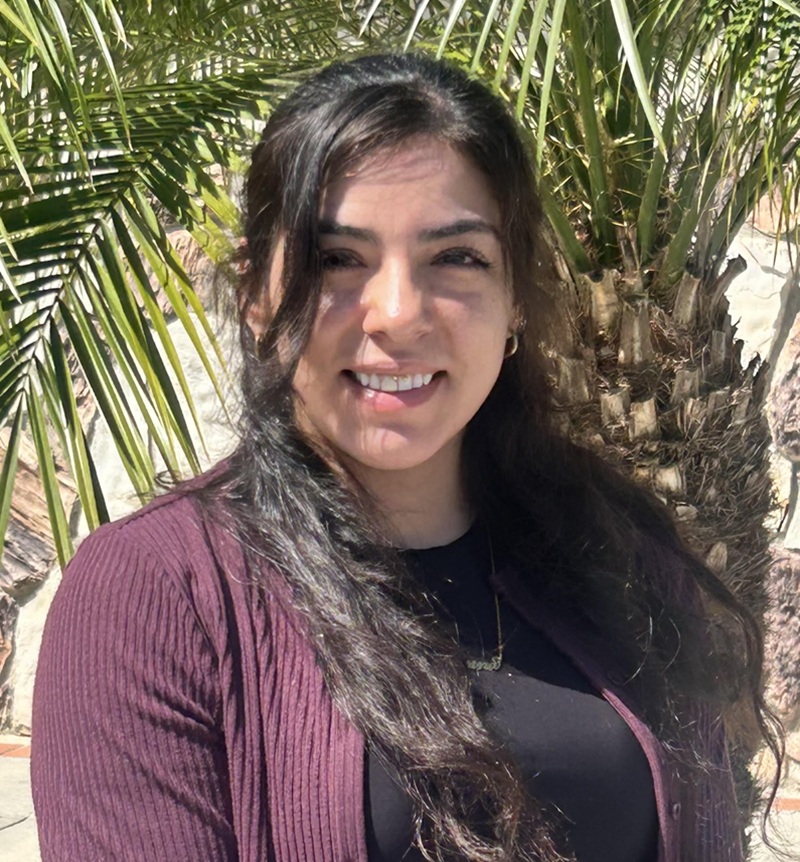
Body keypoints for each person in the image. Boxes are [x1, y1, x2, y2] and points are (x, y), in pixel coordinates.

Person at [31, 53, 777, 862]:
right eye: (336, 260)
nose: (396, 313)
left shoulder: (624, 559)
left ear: (515, 297)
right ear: (254, 294)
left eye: (456, 258)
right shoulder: (154, 595)